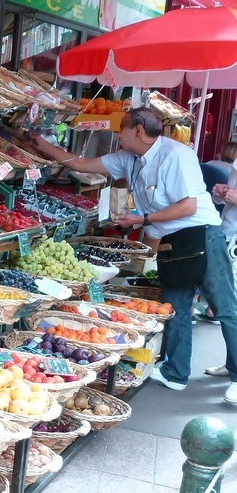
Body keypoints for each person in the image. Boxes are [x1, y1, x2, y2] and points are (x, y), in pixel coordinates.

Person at [28, 107, 237, 404]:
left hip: (203, 235)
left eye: (120, 131)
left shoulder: (177, 155)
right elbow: (84, 164)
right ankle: (176, 373)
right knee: (174, 307)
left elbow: (188, 206)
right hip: (172, 240)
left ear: (137, 130)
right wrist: (41, 144)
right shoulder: (130, 159)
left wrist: (141, 220)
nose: (116, 136)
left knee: (226, 307)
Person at [204, 142, 237, 376]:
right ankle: (231, 364)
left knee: (230, 306)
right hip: (228, 235)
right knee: (228, 305)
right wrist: (220, 194)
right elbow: (228, 202)